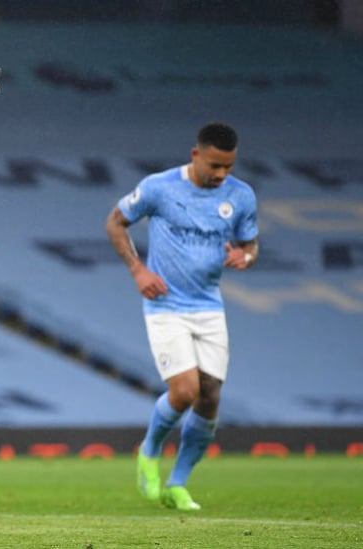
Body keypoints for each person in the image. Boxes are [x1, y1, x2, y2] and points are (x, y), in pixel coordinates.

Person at [105, 122, 259, 511]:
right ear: (196, 155)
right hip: (166, 305)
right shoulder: (159, 187)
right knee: (186, 390)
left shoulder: (241, 196)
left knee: (210, 398)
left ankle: (178, 483)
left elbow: (250, 241)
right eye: (214, 166)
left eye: (228, 167)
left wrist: (247, 256)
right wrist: (139, 271)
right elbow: (115, 222)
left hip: (209, 306)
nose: (221, 174)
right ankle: (150, 450)